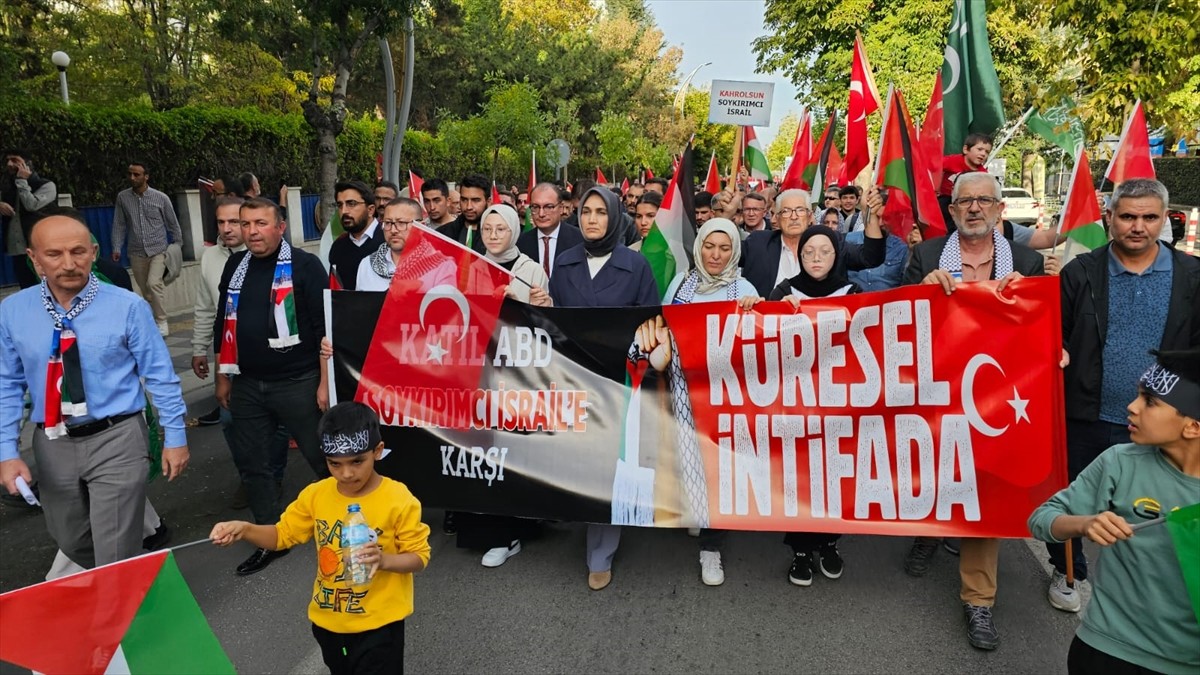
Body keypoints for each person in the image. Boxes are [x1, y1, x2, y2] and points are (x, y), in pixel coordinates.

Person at [901, 171, 1046, 652]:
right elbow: (897, 318)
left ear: (1001, 210)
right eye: (966, 201)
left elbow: (1046, 328)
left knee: (984, 493)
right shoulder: (925, 255)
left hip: (997, 398)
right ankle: (930, 534)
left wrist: (1036, 311)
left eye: (986, 200)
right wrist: (922, 289)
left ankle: (978, 600)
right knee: (936, 476)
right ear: (953, 210)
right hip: (937, 390)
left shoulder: (1027, 261)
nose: (976, 208)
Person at [0, 211, 189, 569]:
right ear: (34, 259)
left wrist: (175, 436)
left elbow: (160, 374)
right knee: (69, 537)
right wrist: (6, 451)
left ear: (94, 252)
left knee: (114, 546)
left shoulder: (127, 306)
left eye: (78, 252)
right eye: (54, 254)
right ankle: (133, 574)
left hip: (116, 436)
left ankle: (120, 607)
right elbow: (7, 384)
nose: (69, 264)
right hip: (53, 441)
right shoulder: (12, 312)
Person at [1052, 177, 1200, 612]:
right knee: (1076, 499)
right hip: (1088, 415)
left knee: (1156, 512)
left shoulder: (1192, 275)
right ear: (1109, 219)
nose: (1138, 226)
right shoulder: (1080, 272)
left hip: (1166, 425)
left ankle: (1154, 591)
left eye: (1149, 217)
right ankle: (1068, 572)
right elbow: (1053, 335)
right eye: (1128, 216)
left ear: (1164, 220)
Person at [210, 401, 431, 675]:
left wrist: (384, 560)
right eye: (334, 464)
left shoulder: (399, 498)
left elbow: (419, 557)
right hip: (328, 622)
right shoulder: (316, 494)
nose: (346, 474)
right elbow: (281, 535)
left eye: (357, 462)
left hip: (379, 625)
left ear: (378, 451)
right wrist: (244, 529)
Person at [1028, 348, 1200, 675]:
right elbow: (1042, 519)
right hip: (1106, 648)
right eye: (1137, 396)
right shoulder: (1119, 461)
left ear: (1192, 426)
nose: (1131, 407)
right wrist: (1084, 523)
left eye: (1150, 402)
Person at [547, 186, 658, 591]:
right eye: (586, 212)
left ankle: (601, 553)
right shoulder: (564, 263)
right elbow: (551, 323)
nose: (592, 219)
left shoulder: (636, 265)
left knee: (607, 469)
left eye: (601, 212)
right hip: (571, 380)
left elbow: (650, 327)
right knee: (577, 464)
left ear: (615, 218)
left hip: (617, 383)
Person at [214, 197, 331, 576]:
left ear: (280, 227)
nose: (251, 232)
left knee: (323, 458)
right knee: (255, 464)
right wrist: (222, 376)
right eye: (245, 224)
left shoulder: (305, 265)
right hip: (246, 382)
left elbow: (322, 328)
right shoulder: (235, 266)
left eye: (260, 224)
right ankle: (269, 538)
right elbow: (223, 324)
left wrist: (324, 382)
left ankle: (352, 525)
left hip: (299, 382)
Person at [648, 218, 761, 586]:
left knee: (719, 469)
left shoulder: (743, 288)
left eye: (724, 248)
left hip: (724, 395)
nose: (715, 255)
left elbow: (757, 340)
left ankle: (712, 550)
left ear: (734, 251)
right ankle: (699, 511)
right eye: (709, 247)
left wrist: (754, 309)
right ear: (698, 248)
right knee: (687, 457)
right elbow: (663, 323)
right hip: (682, 387)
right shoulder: (682, 282)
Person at [763, 223, 860, 586]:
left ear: (837, 254)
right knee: (801, 479)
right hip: (796, 405)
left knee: (835, 479)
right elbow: (758, 334)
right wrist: (768, 309)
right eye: (808, 252)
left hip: (840, 406)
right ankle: (801, 551)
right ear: (799, 256)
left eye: (824, 251)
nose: (816, 258)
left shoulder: (855, 291)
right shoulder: (785, 291)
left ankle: (831, 542)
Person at [740, 188, 886, 298]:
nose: (794, 217)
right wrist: (725, 214)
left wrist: (870, 215)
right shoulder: (757, 243)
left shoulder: (830, 241)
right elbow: (722, 254)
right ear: (776, 218)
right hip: (770, 328)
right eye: (786, 211)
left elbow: (871, 257)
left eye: (800, 210)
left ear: (810, 216)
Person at [110, 161, 183, 336]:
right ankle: (152, 319)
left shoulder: (161, 198)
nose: (132, 178)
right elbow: (119, 223)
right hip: (136, 251)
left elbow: (173, 223)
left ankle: (162, 320)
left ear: (146, 177)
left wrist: (178, 245)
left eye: (137, 174)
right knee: (145, 290)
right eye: (130, 174)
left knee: (154, 283)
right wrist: (116, 247)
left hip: (158, 249)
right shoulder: (123, 197)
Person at [1, 149, 58, 288]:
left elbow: (31, 205)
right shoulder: (7, 185)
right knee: (26, 287)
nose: (9, 164)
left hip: (41, 245)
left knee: (47, 286)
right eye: (7, 160)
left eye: (14, 160)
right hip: (18, 249)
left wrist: (21, 181)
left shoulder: (46, 185)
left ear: (27, 164)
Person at [478, 205, 549, 305]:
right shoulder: (472, 269)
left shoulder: (533, 271)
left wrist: (522, 307)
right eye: (487, 229)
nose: (493, 236)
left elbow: (542, 317)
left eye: (500, 229)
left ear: (514, 231)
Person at [516, 183, 584, 280]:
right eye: (535, 207)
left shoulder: (579, 240)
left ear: (561, 208)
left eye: (548, 207)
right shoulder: (521, 243)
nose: (541, 214)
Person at [328, 181, 383, 291]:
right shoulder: (338, 247)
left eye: (351, 204)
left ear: (371, 210)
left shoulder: (389, 241)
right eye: (340, 205)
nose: (344, 211)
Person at [437, 174, 489, 255]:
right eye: (464, 200)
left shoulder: (498, 238)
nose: (469, 207)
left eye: (475, 200)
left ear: (488, 201)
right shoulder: (442, 234)